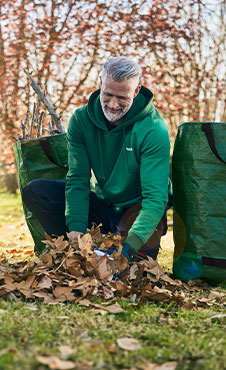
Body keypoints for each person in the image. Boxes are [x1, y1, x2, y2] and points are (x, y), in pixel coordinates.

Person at [22, 56, 171, 262]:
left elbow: (155, 199)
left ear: (136, 92)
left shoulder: (153, 129)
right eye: (108, 94)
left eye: (122, 98)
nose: (113, 104)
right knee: (36, 191)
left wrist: (128, 248)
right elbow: (78, 179)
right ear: (100, 83)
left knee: (135, 272)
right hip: (104, 205)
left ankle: (126, 252)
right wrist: (75, 229)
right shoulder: (81, 120)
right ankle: (69, 255)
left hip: (138, 213)